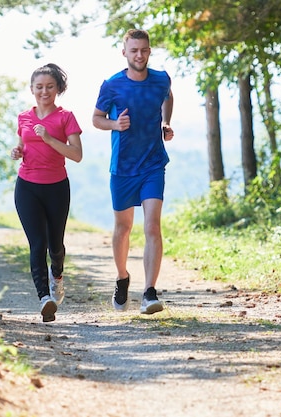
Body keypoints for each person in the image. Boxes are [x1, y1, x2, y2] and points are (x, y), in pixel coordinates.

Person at [92, 28, 174, 315]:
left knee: (152, 226)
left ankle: (149, 292)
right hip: (123, 168)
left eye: (144, 50)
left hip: (153, 164)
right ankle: (122, 277)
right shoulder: (112, 85)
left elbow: (168, 96)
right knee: (123, 228)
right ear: (124, 52)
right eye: (134, 50)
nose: (139, 55)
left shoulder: (161, 79)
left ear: (149, 51)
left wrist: (165, 123)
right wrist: (115, 125)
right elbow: (96, 119)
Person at [11, 63, 83, 322]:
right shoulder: (24, 117)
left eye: (49, 87)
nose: (44, 91)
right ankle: (44, 298)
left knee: (55, 246)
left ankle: (58, 277)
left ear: (58, 89)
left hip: (56, 187)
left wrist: (50, 139)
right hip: (27, 186)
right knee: (37, 244)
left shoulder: (66, 117)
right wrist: (17, 151)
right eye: (39, 87)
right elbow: (22, 144)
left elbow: (76, 155)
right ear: (32, 89)